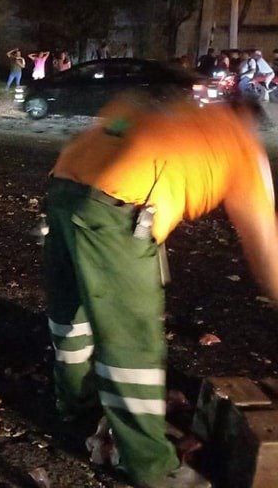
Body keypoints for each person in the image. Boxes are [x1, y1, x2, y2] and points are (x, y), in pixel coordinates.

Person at [43, 94, 278, 488]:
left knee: (71, 310)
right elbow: (265, 242)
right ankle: (152, 466)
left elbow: (111, 119)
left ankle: (75, 402)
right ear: (250, 122)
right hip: (121, 205)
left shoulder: (171, 110)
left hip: (63, 187)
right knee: (132, 341)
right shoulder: (242, 146)